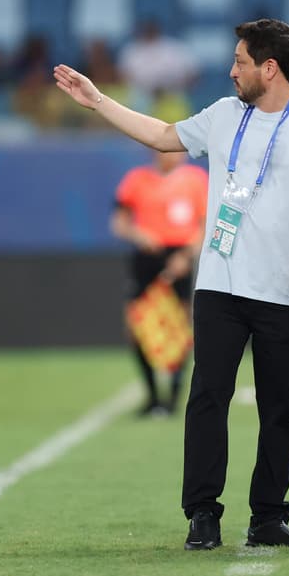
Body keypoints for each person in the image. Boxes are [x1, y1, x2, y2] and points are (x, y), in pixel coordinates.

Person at [54, 18, 289, 550]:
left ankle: (268, 516)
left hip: (287, 290)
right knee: (207, 397)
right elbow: (164, 136)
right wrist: (98, 101)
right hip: (220, 283)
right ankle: (202, 514)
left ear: (270, 68)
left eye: (239, 61)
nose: (230, 70)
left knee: (279, 408)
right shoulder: (221, 115)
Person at [111, 150, 208, 416]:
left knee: (179, 326)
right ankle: (153, 395)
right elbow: (119, 222)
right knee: (138, 325)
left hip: (179, 257)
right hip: (146, 258)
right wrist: (138, 235)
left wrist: (186, 256)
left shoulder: (195, 179)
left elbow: (205, 224)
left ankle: (174, 397)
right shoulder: (137, 179)